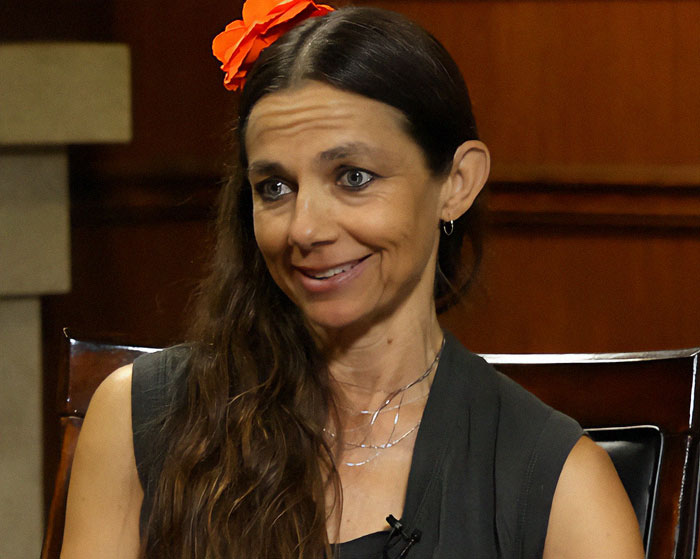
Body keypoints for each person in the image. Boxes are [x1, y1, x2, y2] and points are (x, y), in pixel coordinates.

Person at [60, 1, 645, 558]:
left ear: (457, 183)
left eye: (354, 177)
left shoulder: (560, 485)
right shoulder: (141, 416)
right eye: (275, 188)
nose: (305, 229)